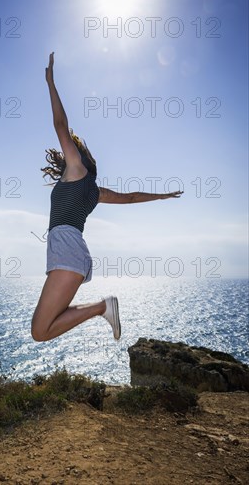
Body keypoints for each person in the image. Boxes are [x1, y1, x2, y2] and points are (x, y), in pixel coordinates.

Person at [31, 52, 183, 343]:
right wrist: (162, 196)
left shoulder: (76, 170)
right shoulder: (94, 191)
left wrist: (50, 83)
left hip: (67, 251)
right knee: (41, 330)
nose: (67, 153)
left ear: (80, 158)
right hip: (71, 252)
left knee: (40, 330)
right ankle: (102, 307)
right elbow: (130, 198)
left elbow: (61, 125)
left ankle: (103, 306)